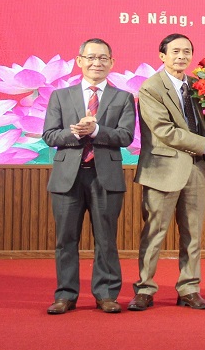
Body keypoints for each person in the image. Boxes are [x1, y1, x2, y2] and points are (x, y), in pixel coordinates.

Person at [129, 33, 205, 311]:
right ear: (162, 56)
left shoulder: (196, 85)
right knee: (154, 233)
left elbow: (199, 122)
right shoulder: (151, 88)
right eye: (175, 51)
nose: (181, 56)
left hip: (195, 169)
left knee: (193, 234)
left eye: (186, 51)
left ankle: (189, 289)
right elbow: (165, 131)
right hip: (162, 170)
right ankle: (145, 289)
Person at [42, 38, 137, 315]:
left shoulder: (123, 97)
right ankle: (65, 295)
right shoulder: (60, 96)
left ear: (112, 62)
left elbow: (126, 136)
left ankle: (106, 294)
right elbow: (49, 135)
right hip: (67, 177)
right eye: (91, 57)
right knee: (65, 239)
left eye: (103, 58)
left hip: (105, 176)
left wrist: (95, 131)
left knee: (106, 239)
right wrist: (75, 132)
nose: (97, 63)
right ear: (79, 60)